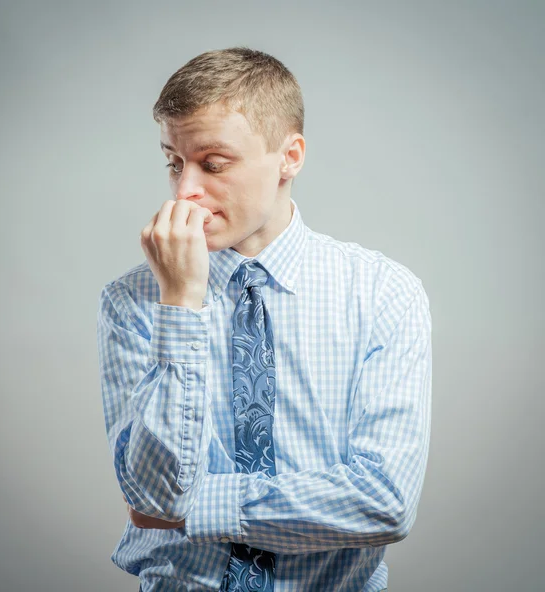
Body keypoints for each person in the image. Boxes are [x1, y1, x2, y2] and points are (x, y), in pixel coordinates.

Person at [97, 46, 432, 592]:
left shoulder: (383, 294)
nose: (186, 190)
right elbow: (154, 495)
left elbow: (384, 502)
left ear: (290, 156)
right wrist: (180, 302)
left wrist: (195, 508)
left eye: (214, 163)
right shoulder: (133, 301)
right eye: (174, 163)